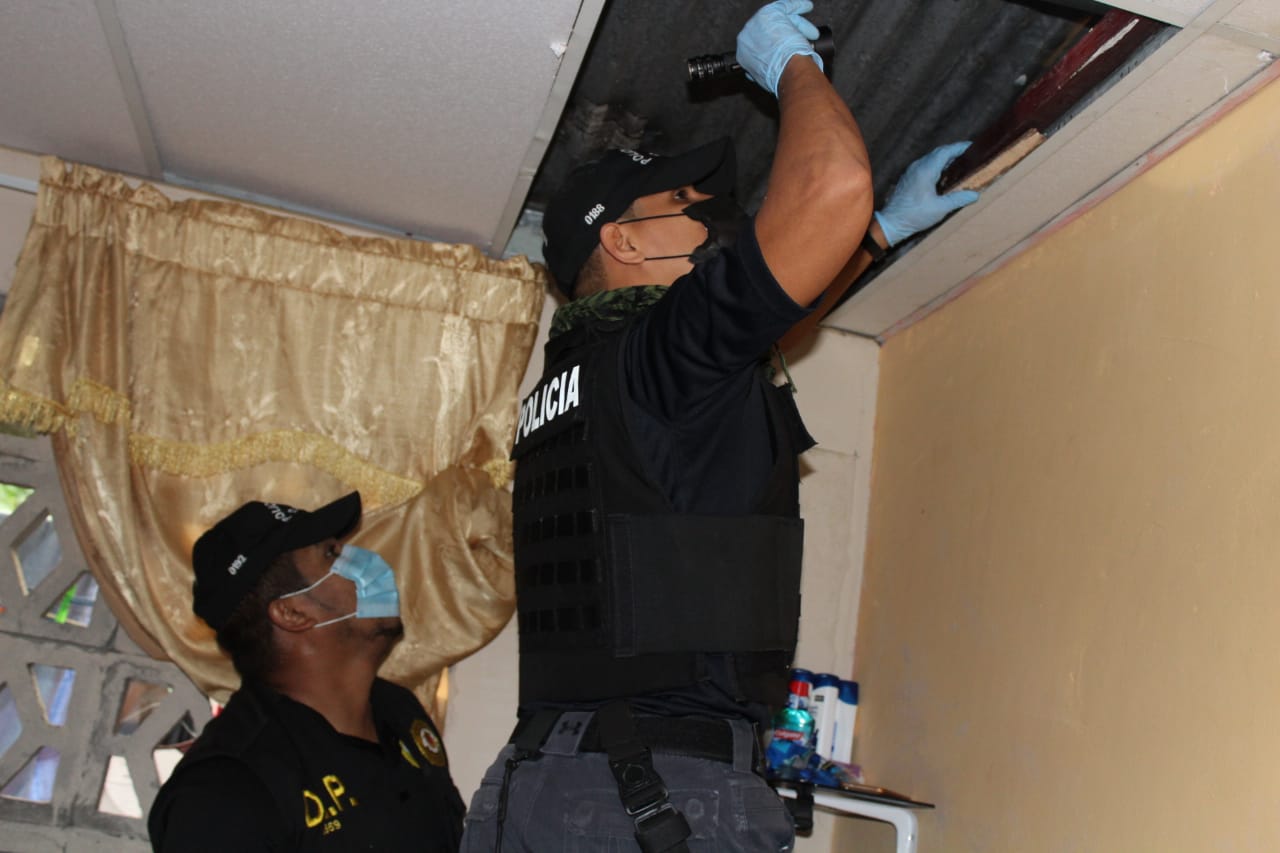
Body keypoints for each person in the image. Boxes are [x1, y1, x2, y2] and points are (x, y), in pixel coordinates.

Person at [460, 2, 979, 850]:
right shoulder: (655, 355)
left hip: (550, 784)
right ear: (624, 243)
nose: (713, 211)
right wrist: (789, 69)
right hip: (650, 795)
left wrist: (881, 233)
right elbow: (830, 189)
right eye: (685, 199)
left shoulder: (585, 378)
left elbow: (763, 322)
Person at [148, 492, 465, 852]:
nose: (363, 561)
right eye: (331, 554)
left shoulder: (399, 711)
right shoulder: (224, 791)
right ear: (292, 613)